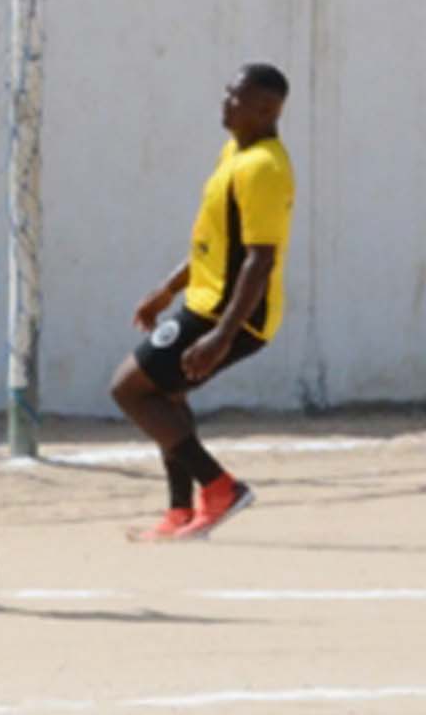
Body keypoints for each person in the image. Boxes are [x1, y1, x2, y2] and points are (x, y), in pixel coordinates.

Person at [110, 64, 294, 541]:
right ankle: (180, 514)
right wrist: (167, 290)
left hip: (231, 314)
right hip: (205, 302)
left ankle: (220, 487)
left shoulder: (264, 169)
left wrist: (222, 334)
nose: (225, 101)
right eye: (228, 92)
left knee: (129, 389)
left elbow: (259, 261)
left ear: (266, 110)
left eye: (237, 96)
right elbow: (213, 242)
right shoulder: (235, 152)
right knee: (165, 395)